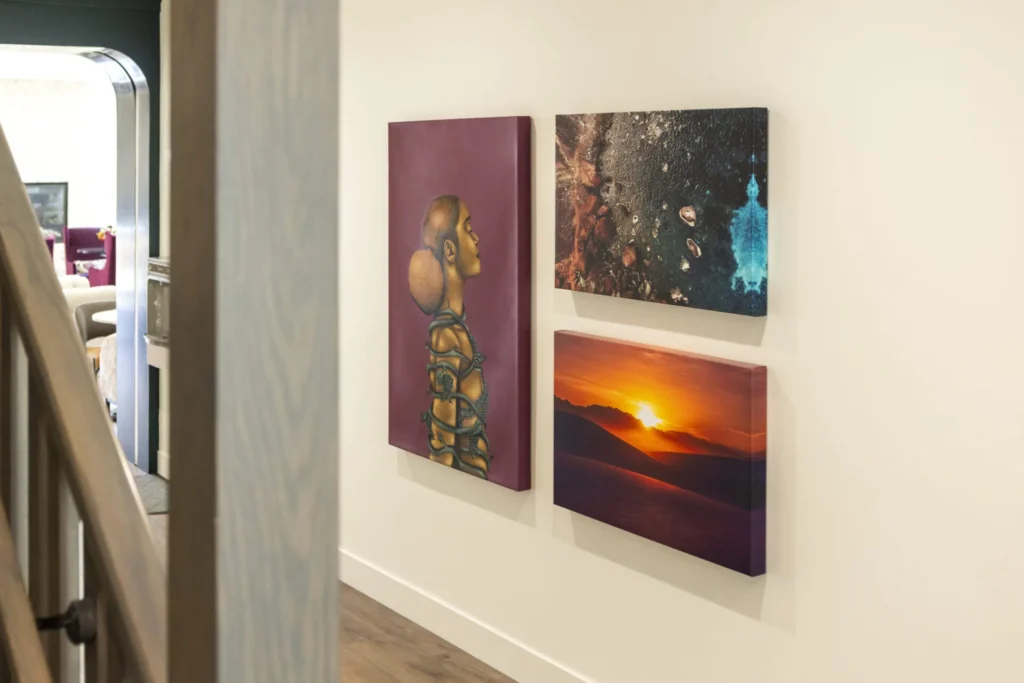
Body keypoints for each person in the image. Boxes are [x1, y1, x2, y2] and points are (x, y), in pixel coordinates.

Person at [408, 195, 490, 478]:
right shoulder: (446, 340)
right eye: (468, 229)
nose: (476, 238)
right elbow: (441, 448)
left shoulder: (456, 333)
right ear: (450, 251)